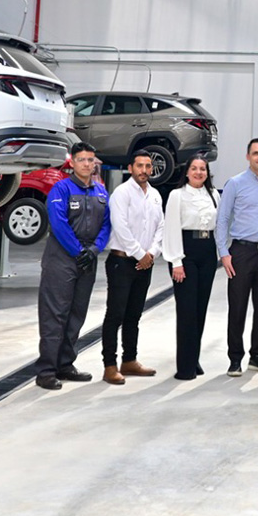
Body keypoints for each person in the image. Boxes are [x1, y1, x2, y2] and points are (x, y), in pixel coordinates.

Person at [35, 142, 111, 390]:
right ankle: (46, 371)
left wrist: (95, 250)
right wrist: (79, 251)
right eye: (82, 160)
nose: (87, 164)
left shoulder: (101, 192)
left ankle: (65, 365)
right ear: (73, 163)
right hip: (61, 258)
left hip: (88, 259)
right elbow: (58, 223)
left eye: (90, 160)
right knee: (54, 315)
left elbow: (107, 224)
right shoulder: (61, 189)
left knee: (77, 314)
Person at [216, 138, 258, 377]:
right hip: (241, 253)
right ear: (248, 156)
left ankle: (257, 356)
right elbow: (222, 219)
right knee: (238, 307)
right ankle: (235, 359)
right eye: (256, 153)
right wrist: (224, 253)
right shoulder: (235, 183)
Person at [101, 148, 164, 385]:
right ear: (130, 168)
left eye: (148, 166)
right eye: (140, 166)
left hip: (145, 264)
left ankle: (129, 360)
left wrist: (152, 253)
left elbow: (161, 227)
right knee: (115, 315)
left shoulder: (155, 195)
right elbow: (120, 227)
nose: (144, 170)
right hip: (122, 262)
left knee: (134, 315)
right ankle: (109, 366)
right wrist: (140, 254)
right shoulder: (121, 193)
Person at [164, 155, 220, 381]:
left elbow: (219, 225)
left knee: (200, 308)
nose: (198, 172)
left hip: (208, 252)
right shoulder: (177, 195)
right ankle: (185, 367)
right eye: (194, 168)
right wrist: (176, 261)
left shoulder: (213, 194)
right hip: (185, 253)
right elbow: (171, 228)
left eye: (202, 169)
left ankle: (193, 357)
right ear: (186, 172)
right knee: (187, 311)